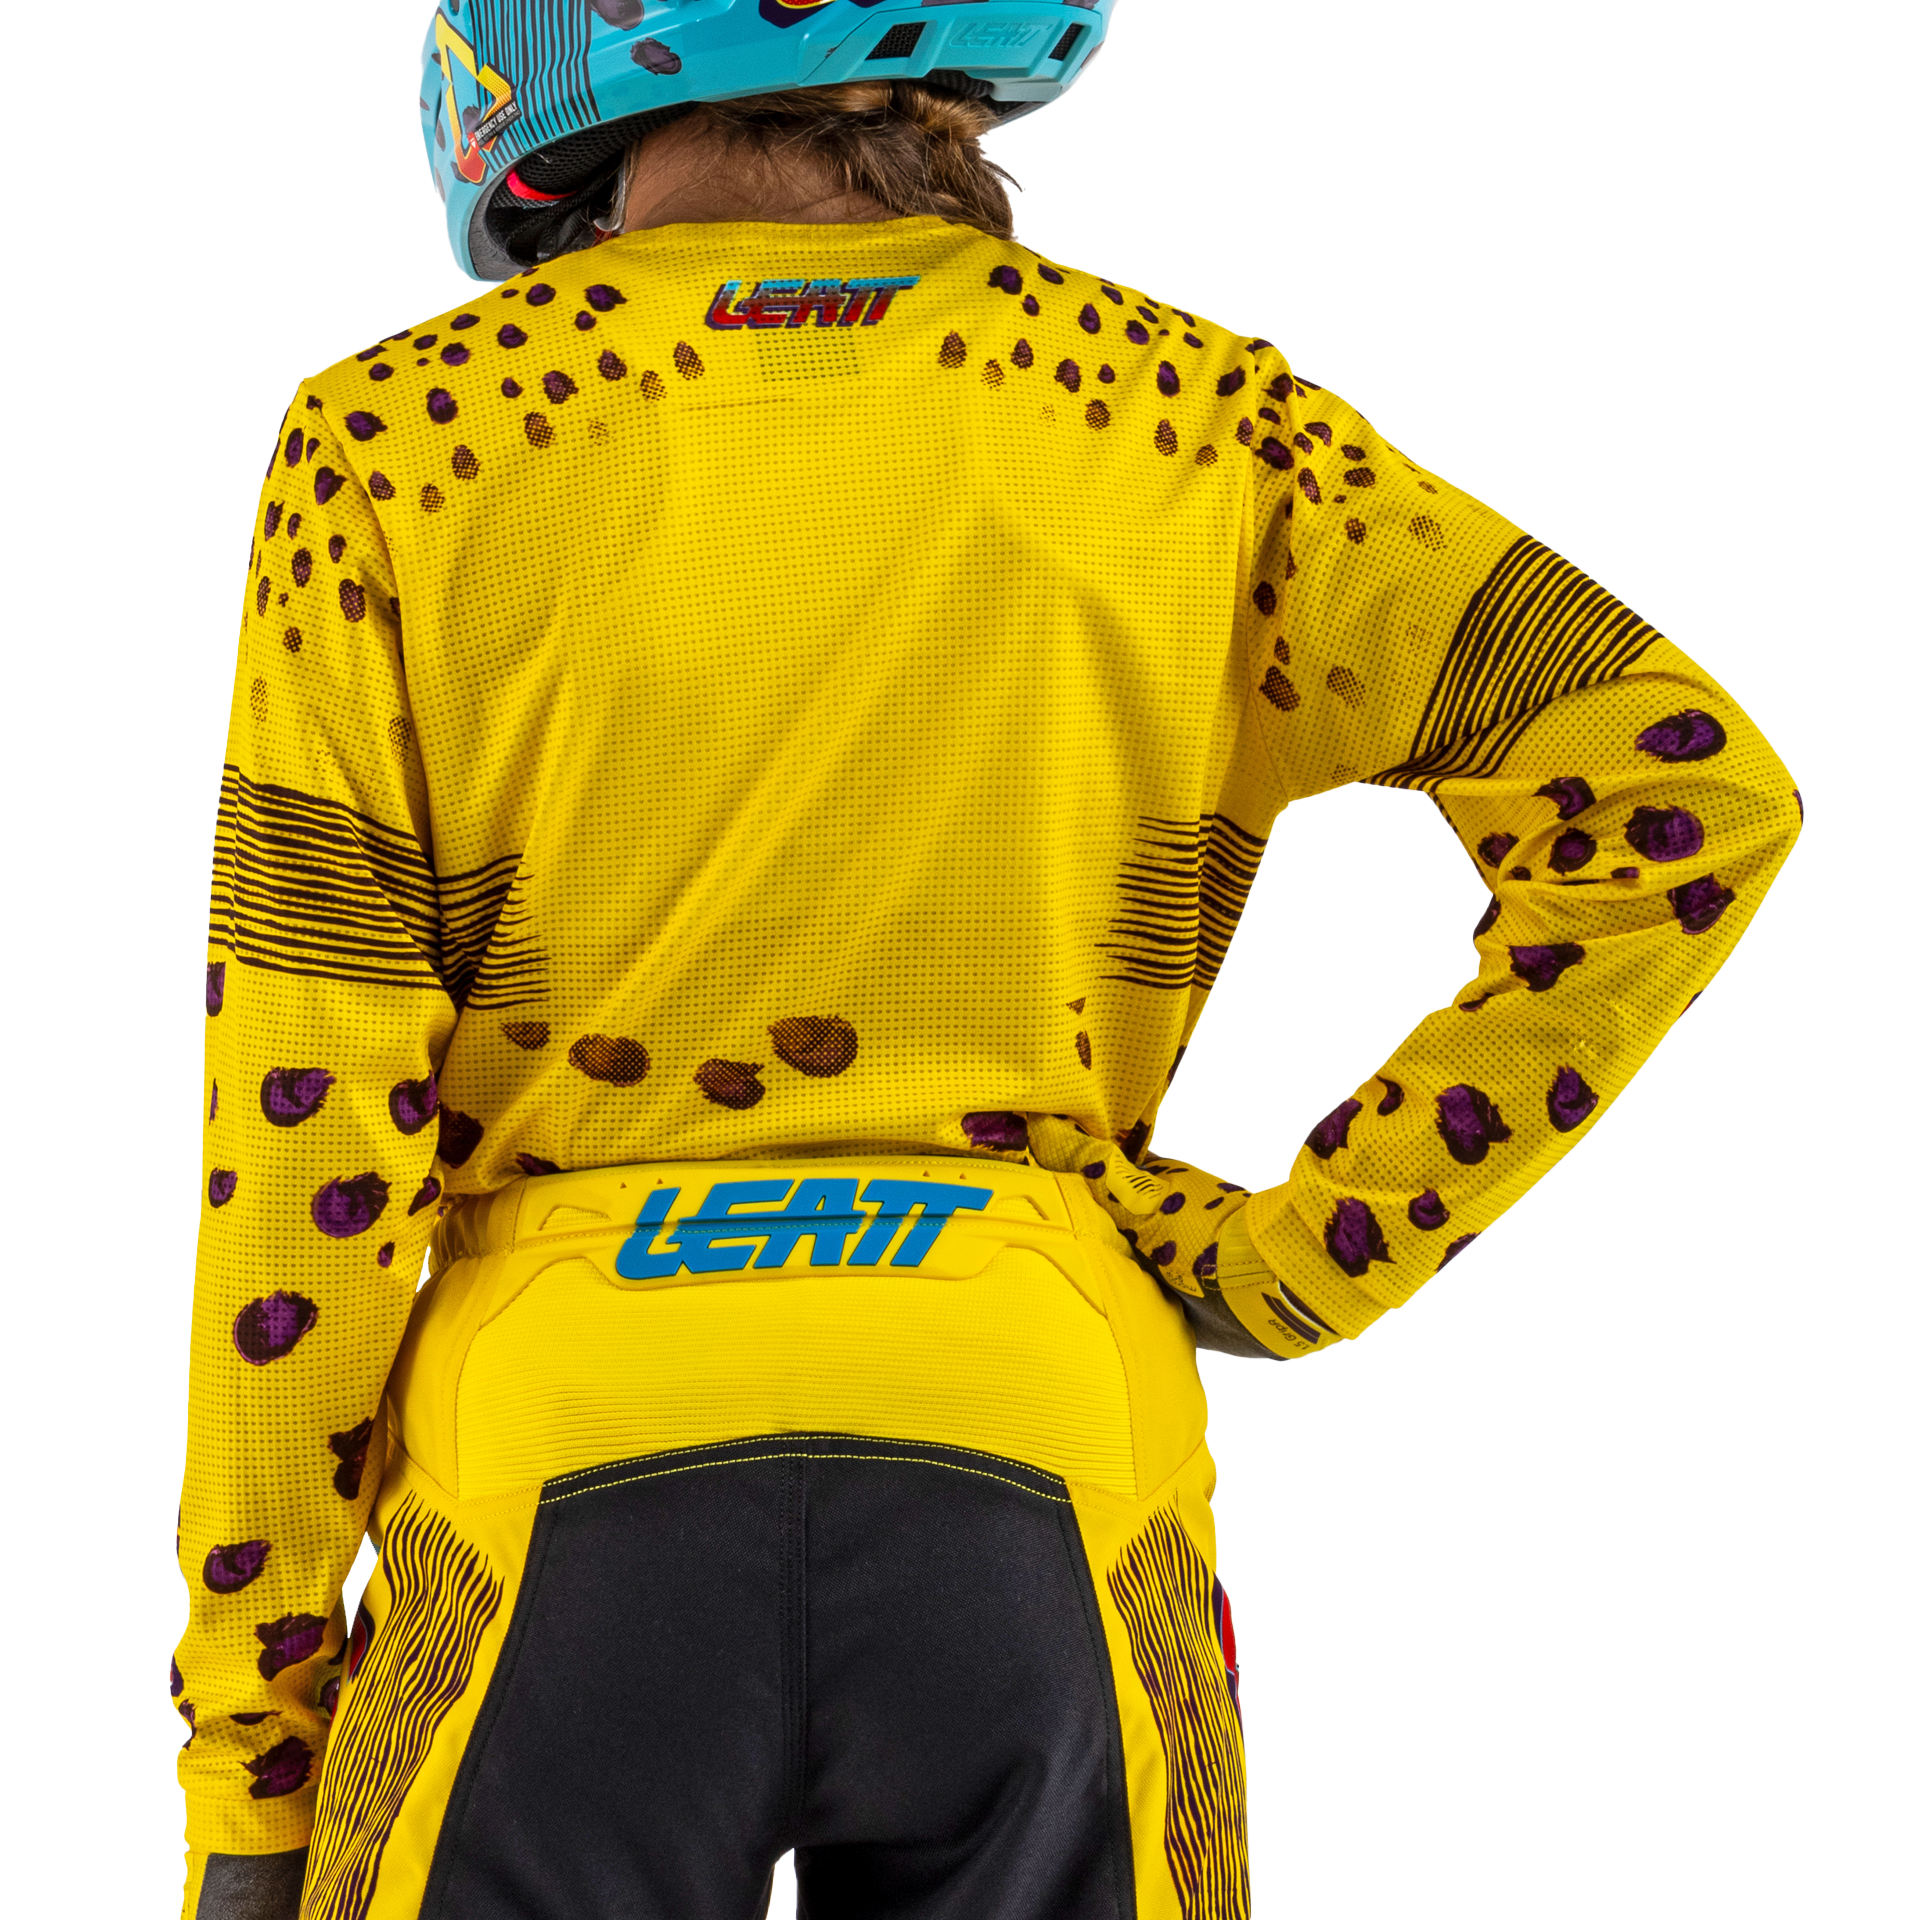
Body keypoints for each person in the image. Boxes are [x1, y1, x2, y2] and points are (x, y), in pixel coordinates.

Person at [171, 5, 1801, 1916]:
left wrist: (252, 1758)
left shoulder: (396, 438)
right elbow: (1682, 793)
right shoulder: (1190, 416)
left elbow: (306, 1113)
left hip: (555, 1443)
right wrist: (1316, 1252)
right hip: (1039, 1411)